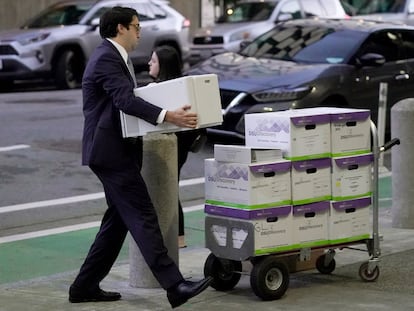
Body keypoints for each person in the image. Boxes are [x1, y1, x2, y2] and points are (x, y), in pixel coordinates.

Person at [68, 6, 212, 309]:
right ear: (120, 28)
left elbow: (123, 98)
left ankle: (84, 286)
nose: (139, 32)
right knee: (143, 215)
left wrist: (160, 103)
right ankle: (174, 286)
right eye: (136, 26)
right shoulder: (107, 57)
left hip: (112, 150)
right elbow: (124, 100)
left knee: (118, 221)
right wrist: (166, 115)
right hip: (110, 153)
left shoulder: (112, 56)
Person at [148, 45, 205, 248]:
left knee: (166, 189)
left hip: (168, 146)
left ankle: (175, 236)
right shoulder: (182, 89)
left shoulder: (159, 91)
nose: (149, 64)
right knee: (171, 187)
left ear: (162, 66)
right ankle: (178, 237)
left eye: (153, 61)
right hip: (182, 146)